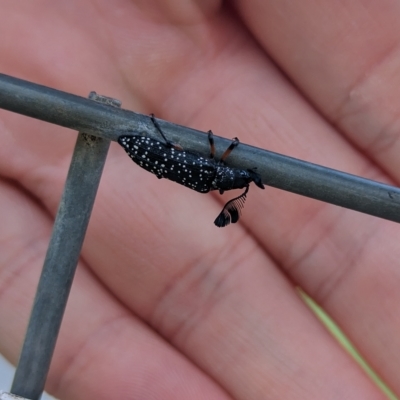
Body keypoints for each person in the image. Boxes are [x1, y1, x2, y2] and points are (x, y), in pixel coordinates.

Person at [0, 2, 398, 399]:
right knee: (173, 156)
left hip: (152, 151)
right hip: (151, 150)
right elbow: (208, 151)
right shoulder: (215, 174)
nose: (242, 178)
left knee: (173, 156)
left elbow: (210, 150)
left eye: (239, 181)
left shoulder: (214, 172)